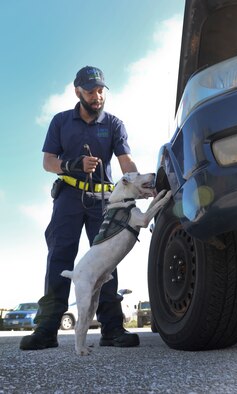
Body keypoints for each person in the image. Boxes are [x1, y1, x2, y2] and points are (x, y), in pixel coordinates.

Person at [20, 66, 140, 350]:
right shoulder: (61, 121)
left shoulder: (113, 124)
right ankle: (47, 329)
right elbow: (48, 161)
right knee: (60, 258)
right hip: (69, 198)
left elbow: (127, 163)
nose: (97, 96)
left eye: (100, 90)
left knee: (106, 260)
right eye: (90, 91)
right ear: (77, 91)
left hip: (103, 202)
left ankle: (112, 329)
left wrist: (141, 184)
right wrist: (71, 165)